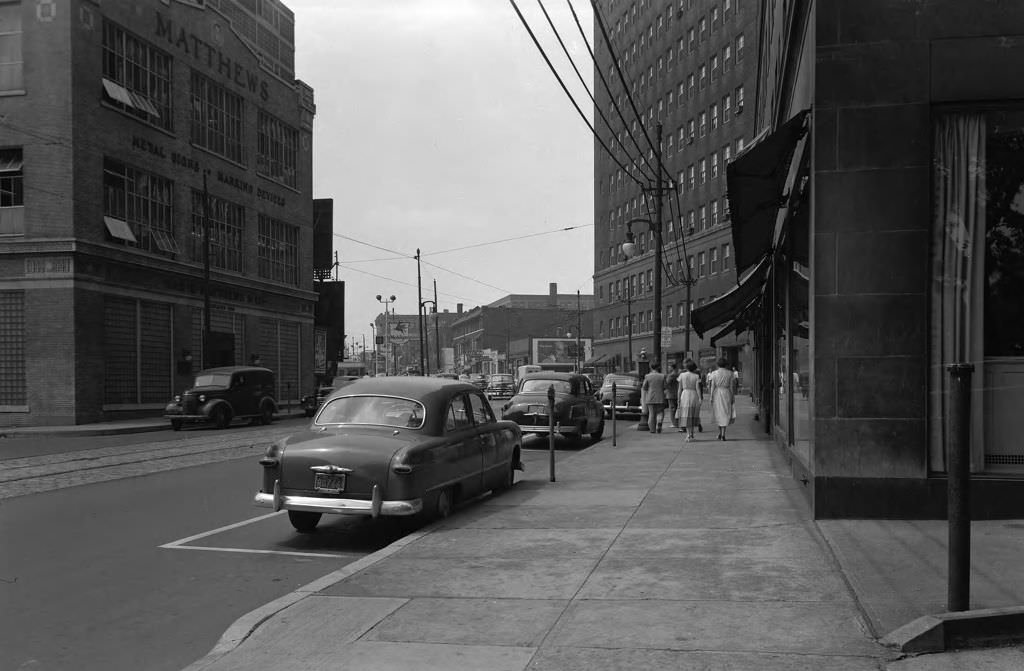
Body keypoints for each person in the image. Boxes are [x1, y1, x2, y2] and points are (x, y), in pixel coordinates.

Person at [707, 356, 736, 441]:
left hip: (717, 393)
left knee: (718, 412)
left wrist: (711, 396)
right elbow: (731, 387)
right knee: (725, 412)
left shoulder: (714, 373)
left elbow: (712, 386)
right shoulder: (730, 373)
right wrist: (732, 396)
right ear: (726, 365)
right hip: (726, 392)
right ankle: (723, 433)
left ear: (718, 364)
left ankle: (720, 432)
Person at [676, 359, 703, 442]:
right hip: (694, 394)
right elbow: (698, 388)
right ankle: (691, 434)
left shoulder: (682, 375)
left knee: (686, 415)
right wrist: (700, 398)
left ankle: (688, 434)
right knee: (692, 414)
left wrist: (678, 399)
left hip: (685, 394)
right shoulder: (696, 376)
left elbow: (679, 389)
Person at [641, 362, 667, 433]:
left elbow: (644, 387)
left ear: (651, 367)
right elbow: (665, 386)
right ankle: (659, 423)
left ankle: (652, 430)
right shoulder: (662, 376)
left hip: (650, 397)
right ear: (658, 367)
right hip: (660, 396)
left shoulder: (647, 376)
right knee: (660, 412)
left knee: (652, 414)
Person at [664, 362, 680, 428]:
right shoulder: (678, 374)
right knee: (677, 409)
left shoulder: (671, 375)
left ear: (672, 368)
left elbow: (666, 383)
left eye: (669, 367)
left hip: (671, 394)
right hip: (677, 393)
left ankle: (674, 423)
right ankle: (678, 422)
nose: (668, 368)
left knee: (672, 409)